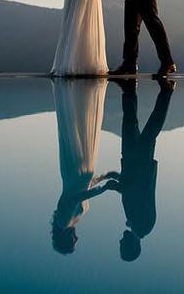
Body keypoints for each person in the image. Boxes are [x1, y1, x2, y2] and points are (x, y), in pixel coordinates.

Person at [106, 77, 174, 261]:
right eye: (122, 244)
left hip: (130, 161)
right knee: (152, 125)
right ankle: (167, 91)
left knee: (129, 120)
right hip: (140, 163)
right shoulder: (144, 225)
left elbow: (130, 190)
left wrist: (115, 178)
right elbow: (138, 191)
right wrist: (114, 186)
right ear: (131, 246)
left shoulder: (135, 224)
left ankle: (130, 87)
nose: (120, 239)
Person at [50, 78, 117, 254]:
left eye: (73, 242)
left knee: (75, 129)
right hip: (82, 171)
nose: (76, 238)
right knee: (82, 128)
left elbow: (75, 197)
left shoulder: (63, 222)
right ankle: (80, 96)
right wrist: (106, 176)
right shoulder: (72, 222)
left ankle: (72, 96)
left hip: (73, 169)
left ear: (65, 240)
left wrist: (103, 189)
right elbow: (83, 189)